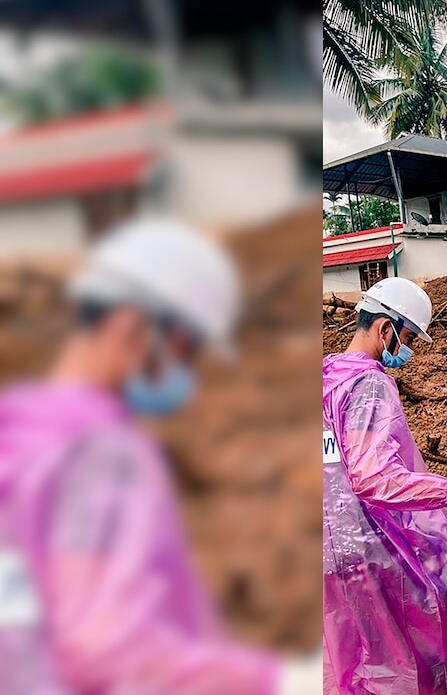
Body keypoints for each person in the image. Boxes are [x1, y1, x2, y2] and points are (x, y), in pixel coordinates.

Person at [0, 219, 320, 695]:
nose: (188, 371)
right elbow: (105, 650)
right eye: (186, 349)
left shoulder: (17, 425)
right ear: (134, 326)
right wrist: (278, 681)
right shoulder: (102, 454)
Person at [323, 277, 447, 695]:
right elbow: (373, 477)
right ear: (385, 328)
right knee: (430, 610)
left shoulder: (325, 375)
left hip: (328, 543)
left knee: (353, 646)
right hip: (369, 542)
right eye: (406, 337)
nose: (407, 348)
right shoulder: (368, 385)